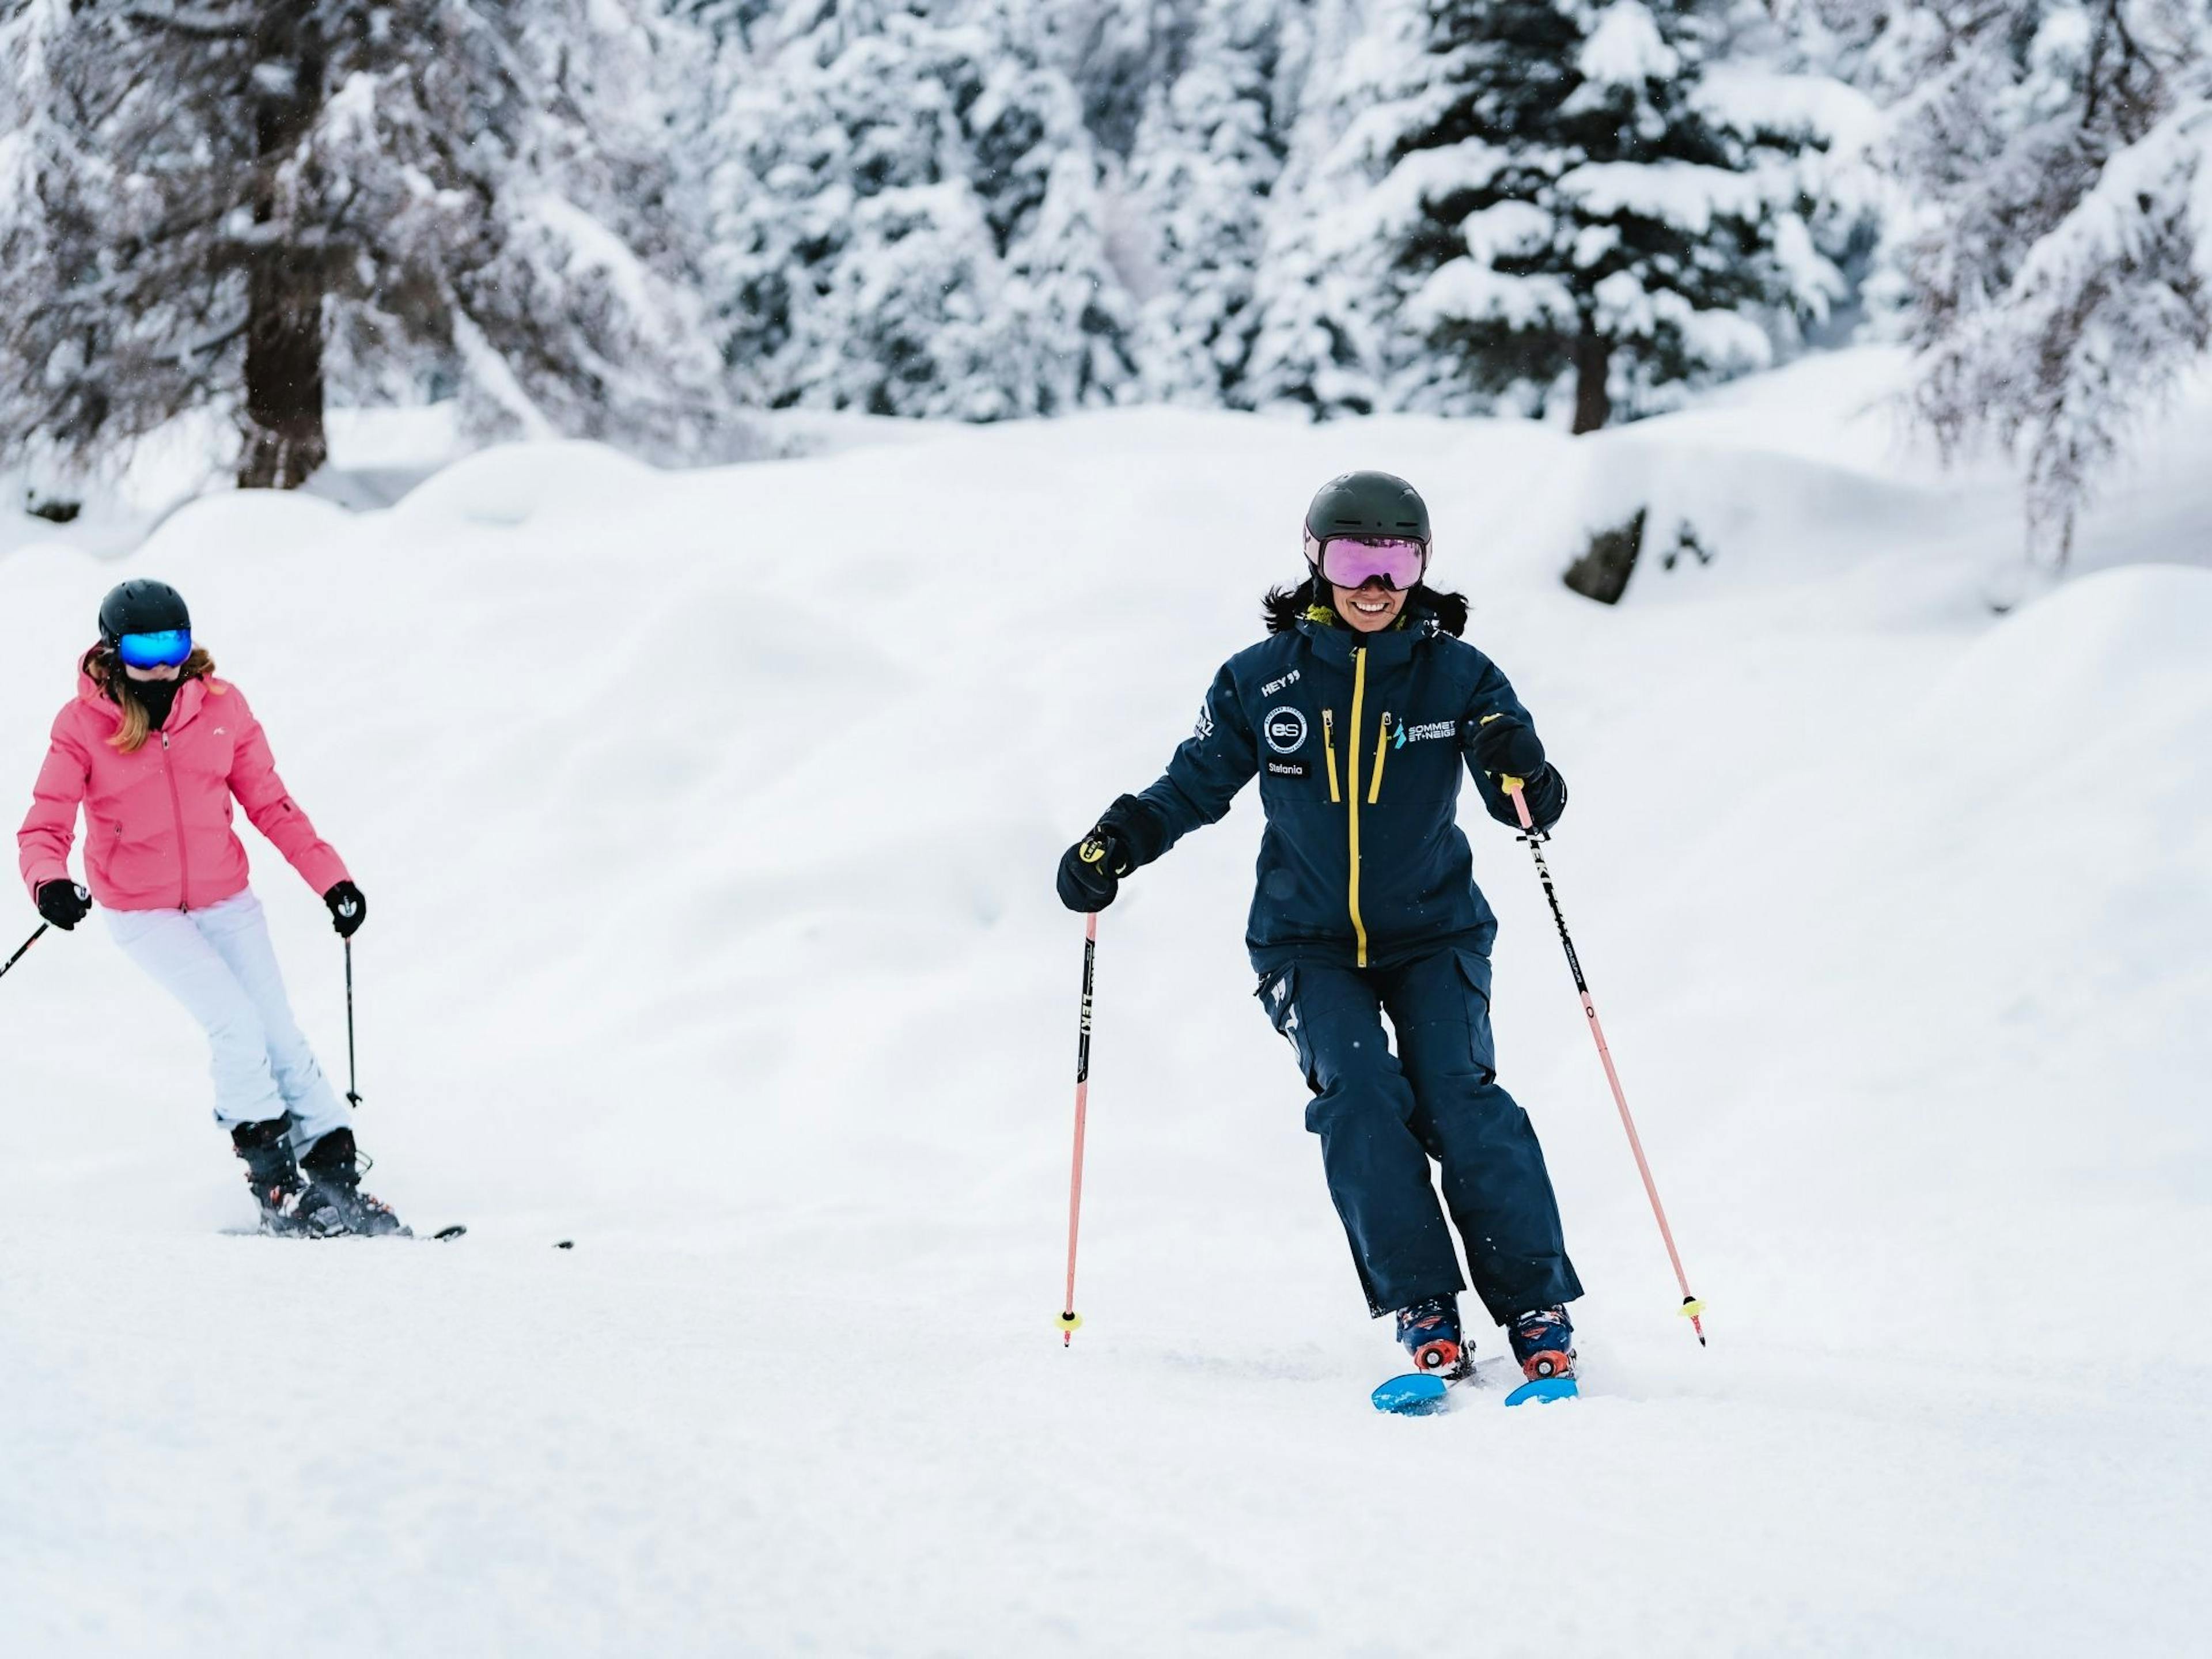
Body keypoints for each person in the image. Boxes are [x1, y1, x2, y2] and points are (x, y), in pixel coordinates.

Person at [1056, 472, 1581, 1388]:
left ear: (1421, 567)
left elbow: (1531, 810)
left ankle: (1535, 1309)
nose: (1373, 585)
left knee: (1460, 1098)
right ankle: (1424, 1304)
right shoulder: (1263, 682)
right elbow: (1193, 785)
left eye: (1396, 561)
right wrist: (1118, 842)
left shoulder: (1462, 675)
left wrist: (1523, 767)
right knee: (1361, 1093)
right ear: (1314, 560)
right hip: (1306, 944)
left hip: (1435, 935)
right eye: (1352, 559)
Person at [17, 578, 403, 1237]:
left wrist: (330, 879)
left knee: (278, 1031)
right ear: (112, 654)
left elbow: (271, 803)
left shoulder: (221, 708)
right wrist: (48, 882)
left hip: (225, 896)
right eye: (144, 650)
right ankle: (277, 1187)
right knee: (234, 1025)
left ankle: (337, 1180)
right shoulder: (82, 725)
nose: (162, 666)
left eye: (175, 645)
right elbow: (45, 825)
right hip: (142, 910)